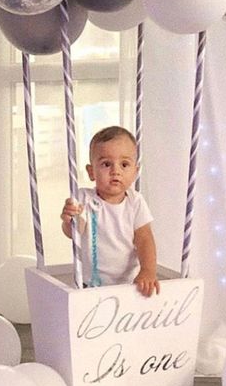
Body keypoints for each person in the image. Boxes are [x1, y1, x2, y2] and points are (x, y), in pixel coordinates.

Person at [61, 125, 160, 297]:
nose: (116, 171)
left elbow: (144, 239)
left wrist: (148, 270)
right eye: (106, 164)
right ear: (91, 172)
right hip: (89, 284)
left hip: (128, 283)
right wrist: (69, 220)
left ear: (135, 172)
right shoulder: (83, 198)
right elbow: (75, 232)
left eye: (124, 164)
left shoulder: (135, 202)